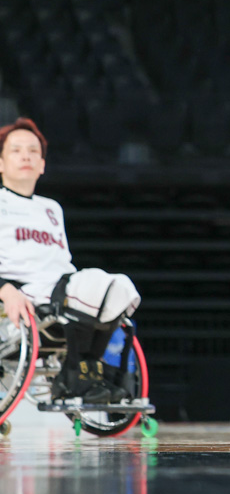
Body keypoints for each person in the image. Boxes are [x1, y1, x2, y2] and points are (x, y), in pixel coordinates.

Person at [0, 118, 142, 405]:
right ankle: (76, 375)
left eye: (33, 151)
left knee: (121, 286)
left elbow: (61, 261)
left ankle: (87, 371)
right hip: (26, 293)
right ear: (1, 163)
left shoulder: (52, 208)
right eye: (16, 150)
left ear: (42, 165)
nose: (26, 156)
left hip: (61, 288)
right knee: (95, 286)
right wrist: (5, 289)